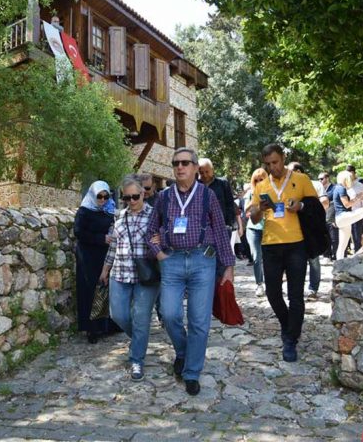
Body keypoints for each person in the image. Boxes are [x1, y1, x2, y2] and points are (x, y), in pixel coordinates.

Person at [146, 147, 235, 396]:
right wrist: (159, 253)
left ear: (196, 168)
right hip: (172, 261)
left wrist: (228, 267)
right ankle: (184, 352)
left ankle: (192, 371)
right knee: (169, 313)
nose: (180, 167)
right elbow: (149, 231)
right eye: (176, 163)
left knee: (199, 321)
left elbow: (219, 231)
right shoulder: (164, 197)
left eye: (185, 163)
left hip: (202, 260)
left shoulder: (208, 196)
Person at [249, 144, 317, 362]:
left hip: (297, 244)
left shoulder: (301, 179)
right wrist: (260, 208)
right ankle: (288, 324)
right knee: (272, 293)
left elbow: (317, 208)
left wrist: (301, 206)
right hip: (270, 245)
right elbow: (253, 217)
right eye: (268, 164)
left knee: (296, 295)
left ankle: (291, 339)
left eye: (275, 162)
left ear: (284, 158)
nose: (272, 167)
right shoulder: (262, 186)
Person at [99, 176, 158, 382]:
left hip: (146, 275)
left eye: (135, 196)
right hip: (120, 272)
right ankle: (140, 339)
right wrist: (105, 269)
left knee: (141, 318)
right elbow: (114, 246)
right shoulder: (119, 216)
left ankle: (137, 359)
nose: (131, 201)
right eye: (127, 198)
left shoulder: (155, 215)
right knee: (118, 315)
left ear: (143, 193)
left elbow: (163, 244)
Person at [74, 181, 119, 344]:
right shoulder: (84, 212)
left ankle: (107, 326)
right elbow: (79, 232)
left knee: (106, 289)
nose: (102, 200)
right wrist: (101, 238)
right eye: (99, 196)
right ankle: (92, 329)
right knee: (90, 291)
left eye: (106, 196)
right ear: (93, 195)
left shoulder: (108, 211)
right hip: (88, 257)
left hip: (104, 256)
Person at [288, 162, 328, 299]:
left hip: (311, 227)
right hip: (294, 227)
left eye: (291, 170)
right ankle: (296, 290)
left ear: (299, 171)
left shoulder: (315, 185)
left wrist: (307, 207)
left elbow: (324, 203)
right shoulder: (286, 185)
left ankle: (313, 288)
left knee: (314, 259)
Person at [333, 170, 363, 260]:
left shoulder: (338, 188)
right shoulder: (341, 188)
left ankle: (339, 263)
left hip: (341, 219)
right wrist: (358, 197)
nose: (351, 181)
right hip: (343, 216)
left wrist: (358, 196)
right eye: (350, 178)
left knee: (342, 245)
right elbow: (347, 204)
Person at [244, 168, 268, 296]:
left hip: (269, 228)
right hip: (253, 228)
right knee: (256, 257)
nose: (259, 182)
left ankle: (272, 283)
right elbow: (245, 209)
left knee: (269, 257)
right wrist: (255, 200)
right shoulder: (251, 193)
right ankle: (259, 284)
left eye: (261, 179)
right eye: (256, 180)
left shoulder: (271, 191)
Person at [346, 165, 363, 253]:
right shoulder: (344, 185)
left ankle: (358, 254)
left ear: (354, 173)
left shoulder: (360, 185)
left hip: (357, 213)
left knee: (357, 237)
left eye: (351, 174)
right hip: (346, 214)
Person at [319, 172, 338, 260]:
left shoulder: (334, 188)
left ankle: (335, 255)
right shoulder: (319, 189)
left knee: (333, 236)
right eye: (319, 179)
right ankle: (326, 255)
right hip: (322, 216)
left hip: (332, 215)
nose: (320, 180)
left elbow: (336, 203)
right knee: (325, 237)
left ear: (327, 178)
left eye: (321, 179)